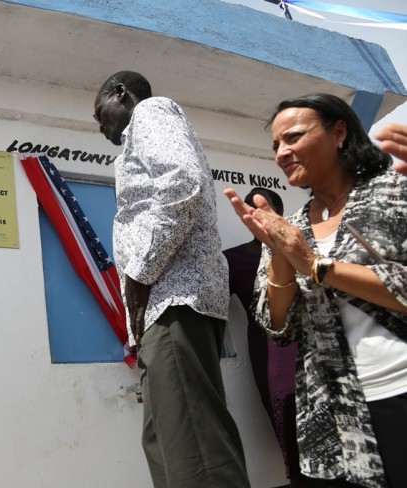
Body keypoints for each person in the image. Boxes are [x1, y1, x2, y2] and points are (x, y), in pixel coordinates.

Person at [224, 93, 407, 488]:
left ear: (339, 132)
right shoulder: (292, 227)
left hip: (399, 389)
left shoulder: (393, 194)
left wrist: (316, 265)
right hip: (331, 411)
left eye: (292, 137)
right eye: (275, 145)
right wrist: (279, 253)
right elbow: (279, 327)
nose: (282, 152)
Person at [94, 70, 249, 487]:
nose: (100, 125)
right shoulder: (133, 143)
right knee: (164, 444)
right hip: (160, 312)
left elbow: (184, 182)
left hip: (174, 300)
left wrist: (141, 272)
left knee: (194, 448)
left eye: (100, 113)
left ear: (120, 94)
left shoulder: (151, 111)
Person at [223, 188, 306, 487]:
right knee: (290, 433)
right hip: (271, 358)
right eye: (251, 210)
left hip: (313, 351)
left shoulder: (303, 250)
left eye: (266, 209)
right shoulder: (233, 260)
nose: (258, 216)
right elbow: (207, 301)